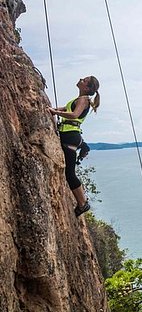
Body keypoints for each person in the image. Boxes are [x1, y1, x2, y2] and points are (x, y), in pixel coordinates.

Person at [48, 76, 100, 217]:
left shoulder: (83, 100)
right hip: (70, 136)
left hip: (71, 136)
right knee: (69, 173)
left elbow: (74, 114)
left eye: (84, 80)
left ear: (87, 88)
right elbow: (66, 108)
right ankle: (82, 202)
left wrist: (55, 113)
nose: (81, 79)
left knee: (70, 174)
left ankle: (83, 204)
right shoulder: (78, 100)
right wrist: (53, 109)